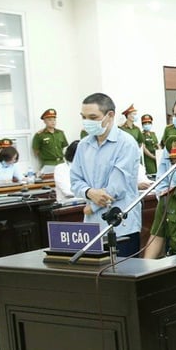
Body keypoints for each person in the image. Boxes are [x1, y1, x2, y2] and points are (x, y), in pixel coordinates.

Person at [70, 93, 143, 257]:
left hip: (121, 227)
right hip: (92, 228)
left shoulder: (126, 143)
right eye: (84, 117)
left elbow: (116, 188)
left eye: (93, 117)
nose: (87, 122)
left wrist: (92, 206)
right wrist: (89, 192)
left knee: (123, 278)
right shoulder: (83, 145)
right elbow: (75, 181)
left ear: (110, 115)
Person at [31, 108, 68, 175]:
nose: (53, 122)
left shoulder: (60, 133)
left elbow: (63, 147)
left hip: (61, 163)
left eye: (54, 120)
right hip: (48, 164)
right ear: (44, 121)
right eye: (50, 120)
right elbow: (36, 152)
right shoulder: (40, 135)